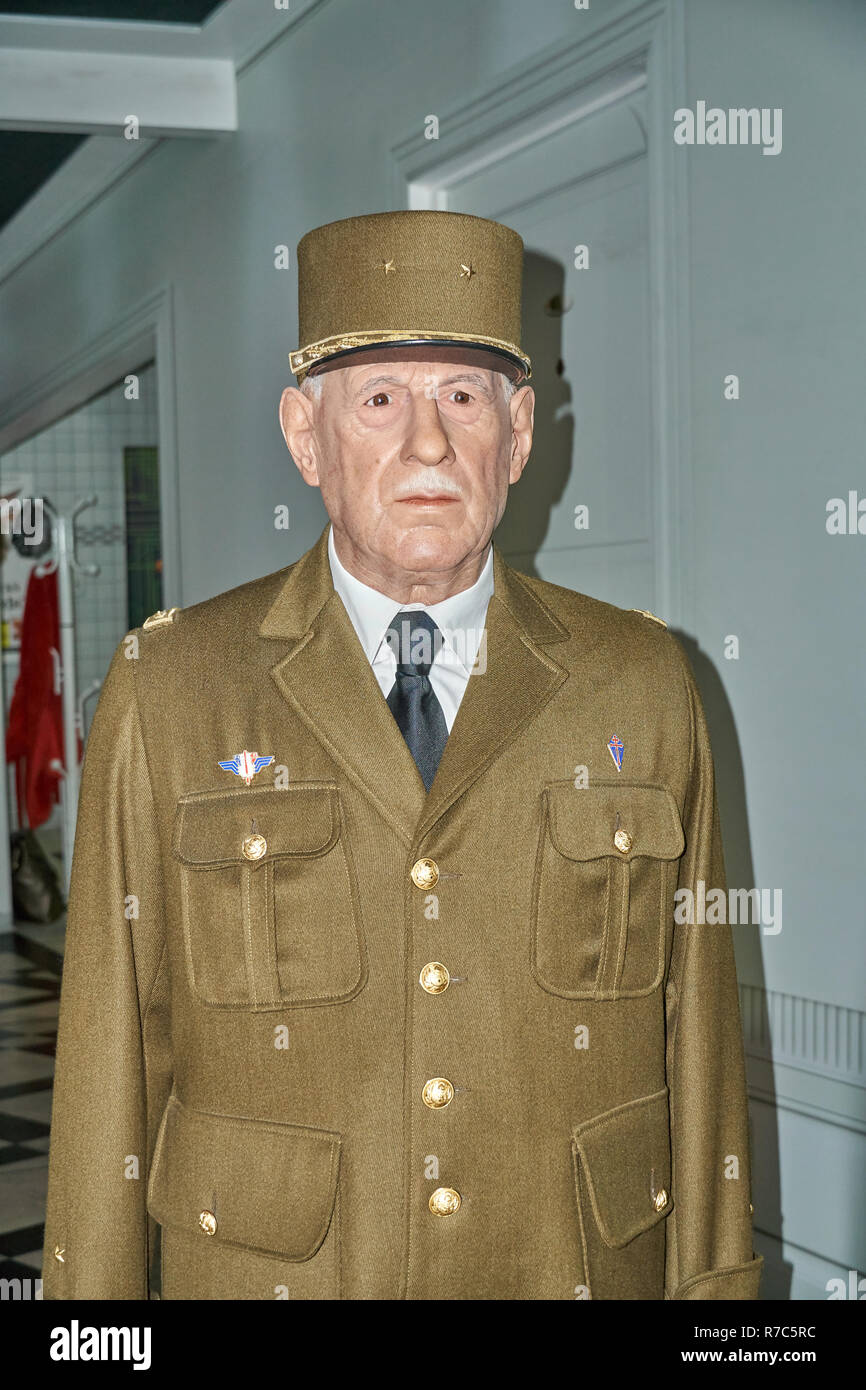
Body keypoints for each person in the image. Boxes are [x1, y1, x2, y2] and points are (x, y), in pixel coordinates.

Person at [42, 209, 762, 1300]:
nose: (427, 446)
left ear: (516, 435)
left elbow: (695, 1037)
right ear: (304, 436)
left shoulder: (644, 678)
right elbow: (108, 1056)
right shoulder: (175, 685)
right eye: (379, 400)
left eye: (461, 398)